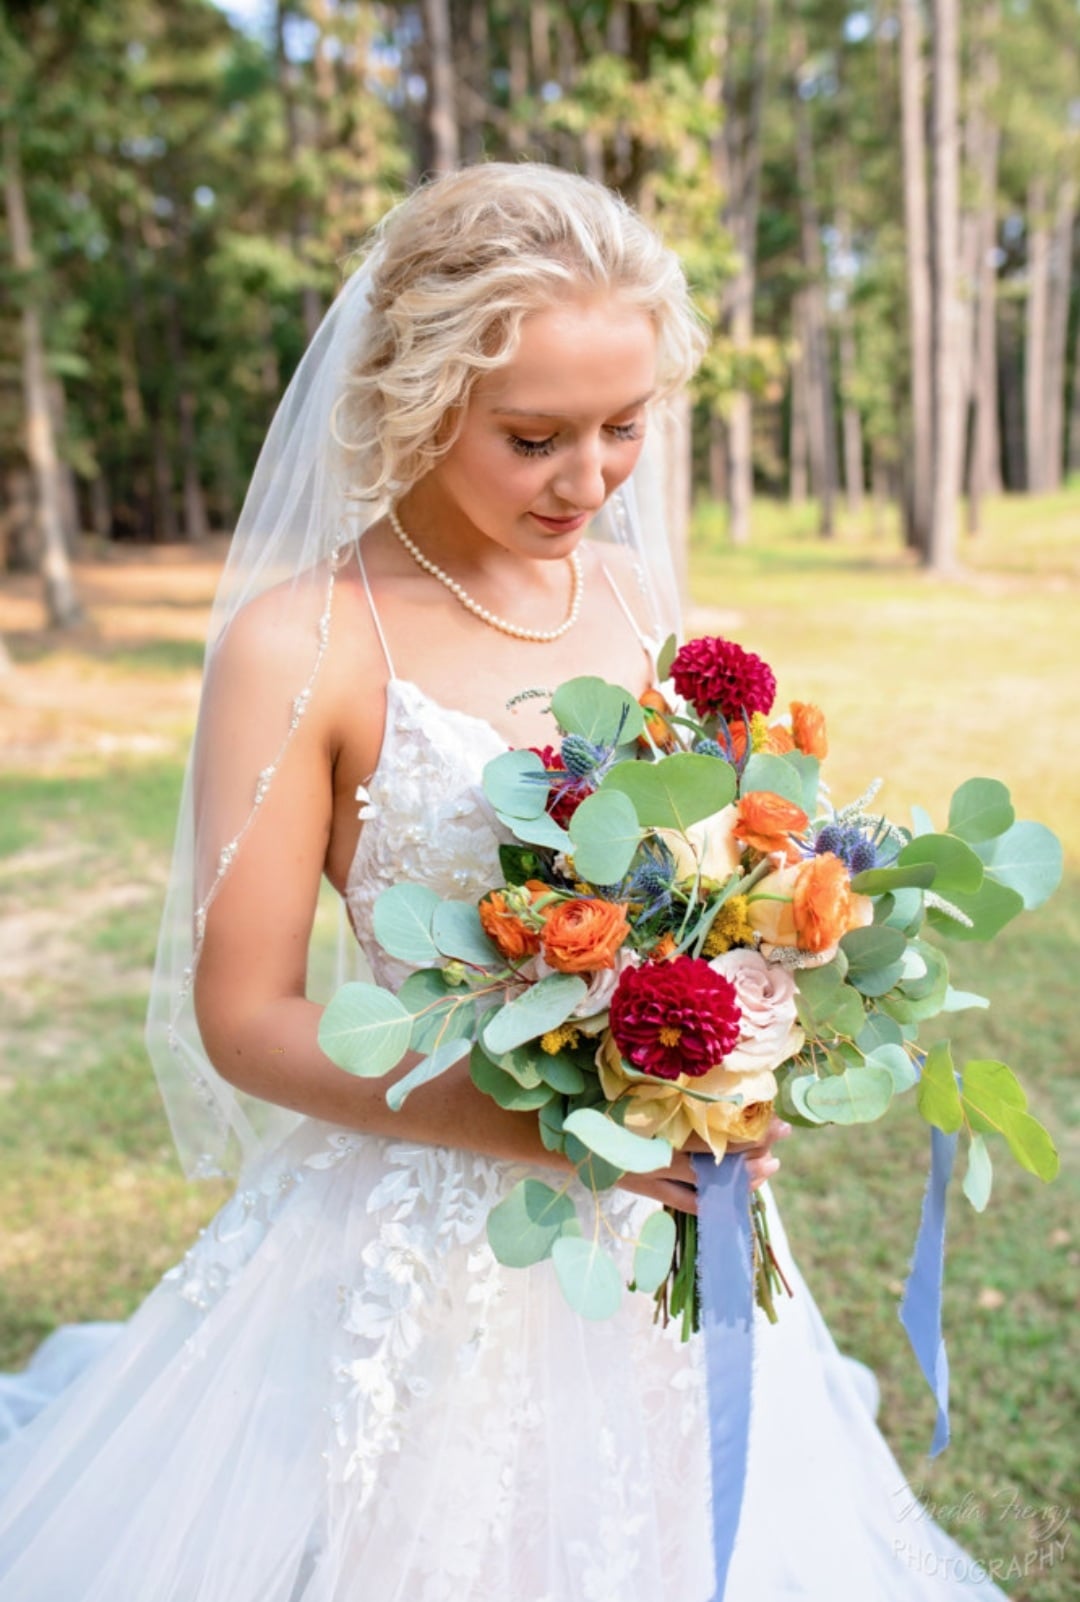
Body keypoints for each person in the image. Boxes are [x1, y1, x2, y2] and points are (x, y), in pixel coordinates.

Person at [0, 164, 1005, 1600]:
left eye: (624, 428)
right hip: (417, 1225)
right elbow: (245, 1012)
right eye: (534, 437)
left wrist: (738, 1054)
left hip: (667, 1210)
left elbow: (701, 887)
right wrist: (554, 1131)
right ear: (417, 395)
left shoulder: (637, 595)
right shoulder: (309, 643)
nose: (590, 482)